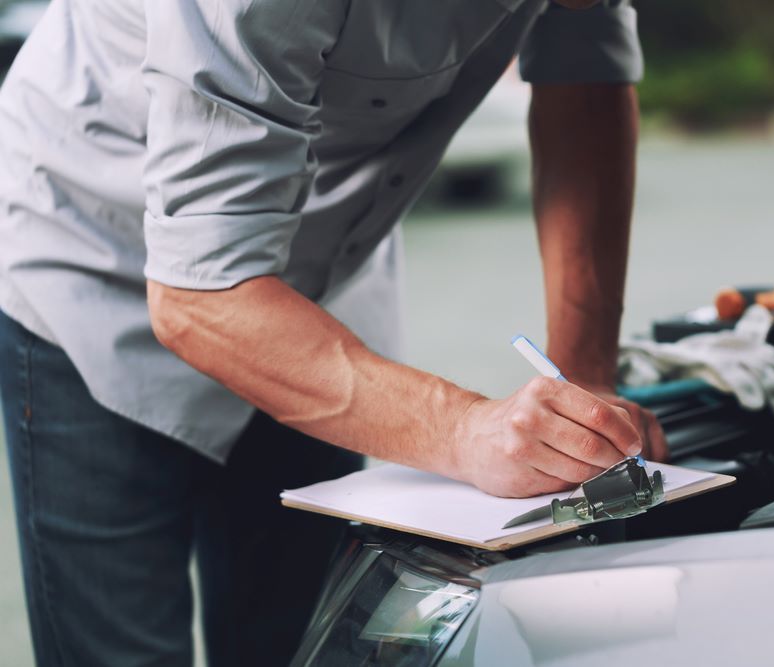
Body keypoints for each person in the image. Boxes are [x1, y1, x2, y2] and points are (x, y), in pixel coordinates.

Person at [0, 0, 667, 664]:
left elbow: (584, 84)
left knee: (306, 643)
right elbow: (198, 298)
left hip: (319, 274)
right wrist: (466, 429)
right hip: (95, 257)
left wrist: (585, 383)